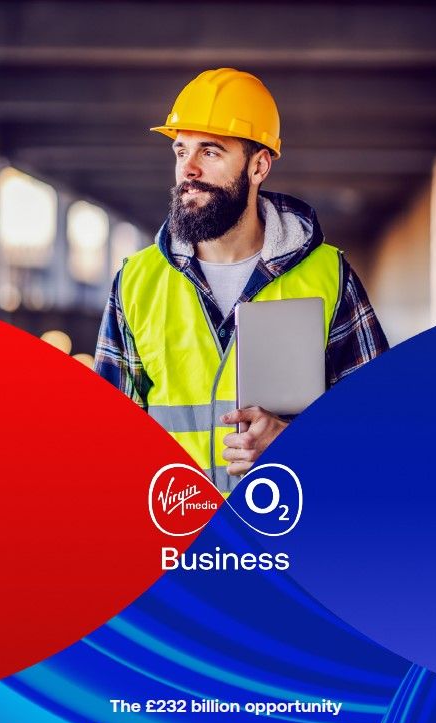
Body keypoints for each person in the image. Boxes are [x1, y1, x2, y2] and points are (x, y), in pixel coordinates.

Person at [95, 68, 388, 493]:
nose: (188, 170)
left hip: (287, 536)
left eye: (210, 152)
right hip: (177, 539)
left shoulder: (328, 276)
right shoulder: (137, 281)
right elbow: (107, 444)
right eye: (181, 151)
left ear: (259, 166)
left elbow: (381, 426)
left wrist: (299, 444)